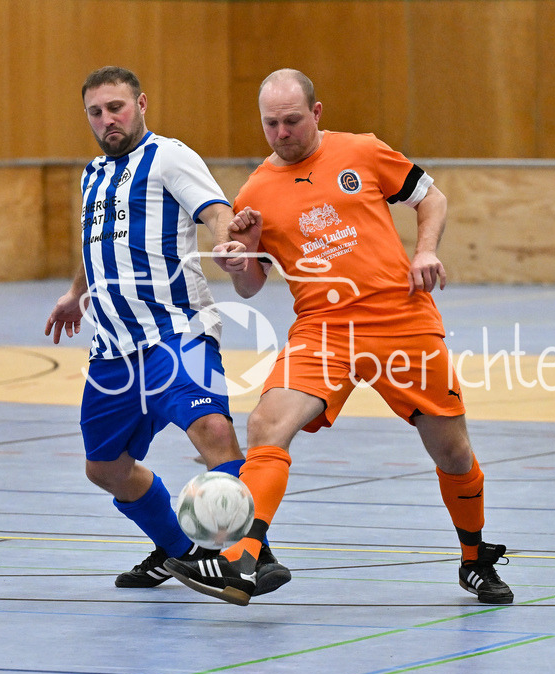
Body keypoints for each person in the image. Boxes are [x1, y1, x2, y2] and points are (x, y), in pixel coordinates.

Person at [165, 68, 513, 606]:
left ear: (317, 112)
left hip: (401, 319)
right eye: (271, 123)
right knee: (264, 424)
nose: (282, 132)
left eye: (292, 120)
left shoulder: (364, 152)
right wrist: (240, 257)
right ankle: (240, 561)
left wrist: (424, 250)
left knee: (453, 452)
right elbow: (253, 285)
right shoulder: (255, 191)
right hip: (323, 331)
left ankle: (473, 557)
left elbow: (432, 199)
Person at [45, 66, 288, 594]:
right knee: (105, 468)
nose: (108, 119)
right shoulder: (92, 174)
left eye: (117, 107)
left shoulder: (169, 156)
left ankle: (252, 553)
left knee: (215, 431)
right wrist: (74, 293)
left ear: (141, 104)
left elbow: (217, 210)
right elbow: (97, 242)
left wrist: (227, 240)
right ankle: (179, 552)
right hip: (113, 351)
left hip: (177, 333)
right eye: (96, 111)